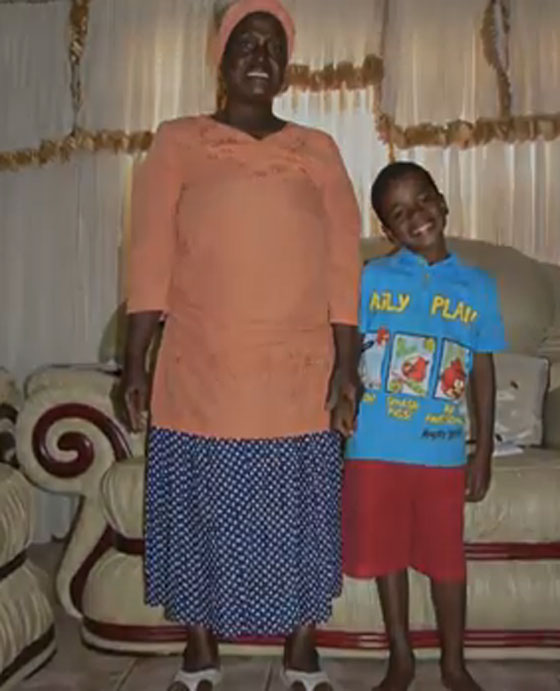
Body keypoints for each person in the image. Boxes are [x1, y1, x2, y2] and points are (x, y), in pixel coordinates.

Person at [121, 1, 361, 689]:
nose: (261, 57)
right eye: (246, 44)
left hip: (298, 368)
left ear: (288, 67)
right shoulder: (178, 141)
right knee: (198, 505)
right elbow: (150, 256)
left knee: (301, 510)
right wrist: (134, 361)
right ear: (220, 58)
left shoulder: (318, 150)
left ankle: (301, 647)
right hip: (202, 364)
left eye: (274, 47)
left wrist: (348, 367)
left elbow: (343, 263)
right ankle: (200, 649)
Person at [342, 162, 506, 691]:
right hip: (376, 447)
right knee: (388, 554)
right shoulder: (371, 278)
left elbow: (482, 369)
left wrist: (482, 451)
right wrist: (341, 395)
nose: (416, 216)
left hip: (441, 450)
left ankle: (454, 663)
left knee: (446, 560)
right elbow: (346, 351)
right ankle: (401, 657)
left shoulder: (477, 286)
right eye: (399, 213)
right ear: (388, 230)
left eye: (423, 199)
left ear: (443, 201)